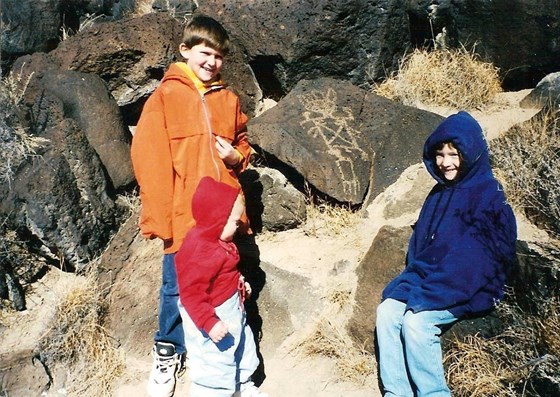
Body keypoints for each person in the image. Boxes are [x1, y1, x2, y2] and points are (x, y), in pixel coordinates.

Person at [131, 15, 252, 397]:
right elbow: (148, 160)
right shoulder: (166, 97)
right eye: (205, 52)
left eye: (219, 56)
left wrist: (237, 157)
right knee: (175, 288)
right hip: (184, 218)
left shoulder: (229, 99)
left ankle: (227, 355)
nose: (212, 61)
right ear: (185, 51)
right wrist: (162, 220)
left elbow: (244, 145)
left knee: (226, 282)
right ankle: (168, 352)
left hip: (224, 218)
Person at [375, 111, 517, 397]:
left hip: (468, 284)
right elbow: (421, 250)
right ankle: (396, 392)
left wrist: (430, 294)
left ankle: (433, 393)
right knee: (387, 311)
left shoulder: (489, 196)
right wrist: (415, 283)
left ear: (471, 152)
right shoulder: (438, 194)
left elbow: (477, 262)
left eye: (454, 153)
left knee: (417, 323)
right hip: (432, 278)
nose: (445, 163)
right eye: (439, 154)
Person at [176, 176, 266, 397]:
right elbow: (190, 294)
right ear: (217, 219)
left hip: (232, 308)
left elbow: (226, 273)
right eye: (235, 222)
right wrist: (209, 322)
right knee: (214, 360)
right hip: (211, 314)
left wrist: (240, 284)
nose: (238, 226)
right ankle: (212, 392)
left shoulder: (220, 242)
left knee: (241, 347)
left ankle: (241, 384)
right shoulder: (200, 250)